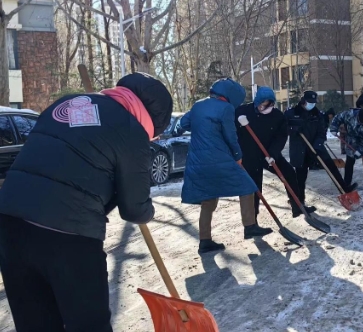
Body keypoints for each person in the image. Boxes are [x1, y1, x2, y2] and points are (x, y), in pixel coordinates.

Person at [0, 72, 173, 332]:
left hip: (9, 223)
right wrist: (147, 211)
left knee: (36, 325)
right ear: (153, 122)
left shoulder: (69, 103)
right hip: (68, 234)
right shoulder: (133, 132)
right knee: (89, 325)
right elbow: (135, 209)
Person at [180, 78, 273, 254]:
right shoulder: (226, 108)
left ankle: (204, 241)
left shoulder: (198, 105)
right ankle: (250, 226)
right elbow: (231, 136)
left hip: (197, 161)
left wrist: (203, 128)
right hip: (219, 159)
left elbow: (183, 124)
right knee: (247, 186)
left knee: (208, 199)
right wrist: (238, 156)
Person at [235, 86, 316, 220]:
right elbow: (232, 133)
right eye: (263, 105)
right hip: (250, 155)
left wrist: (273, 153)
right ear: (257, 102)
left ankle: (297, 206)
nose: (266, 108)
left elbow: (281, 136)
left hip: (268, 153)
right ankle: (252, 221)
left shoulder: (277, 116)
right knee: (254, 186)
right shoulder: (243, 112)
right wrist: (239, 125)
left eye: (270, 104)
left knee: (289, 173)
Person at [285, 91, 357, 203]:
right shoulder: (291, 113)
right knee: (301, 175)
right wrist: (293, 130)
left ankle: (344, 188)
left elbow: (322, 132)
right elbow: (282, 128)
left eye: (314, 102)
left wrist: (318, 145)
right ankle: (300, 200)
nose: (312, 104)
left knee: (331, 167)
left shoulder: (317, 114)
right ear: (303, 101)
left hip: (316, 147)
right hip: (300, 149)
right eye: (310, 102)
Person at [331, 105, 363, 188]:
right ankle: (346, 184)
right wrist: (334, 128)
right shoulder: (349, 114)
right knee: (350, 161)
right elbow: (337, 118)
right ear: (358, 117)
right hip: (351, 138)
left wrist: (360, 151)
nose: (362, 123)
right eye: (361, 121)